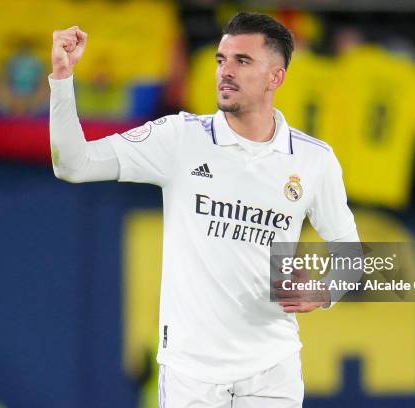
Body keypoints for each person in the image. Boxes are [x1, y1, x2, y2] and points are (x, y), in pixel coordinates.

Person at [49, 12, 359, 407]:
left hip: (271, 369)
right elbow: (72, 165)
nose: (225, 71)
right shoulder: (179, 137)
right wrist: (61, 79)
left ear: (276, 77)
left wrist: (325, 290)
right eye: (220, 60)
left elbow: (351, 257)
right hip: (190, 374)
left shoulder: (315, 161)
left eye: (242, 61)